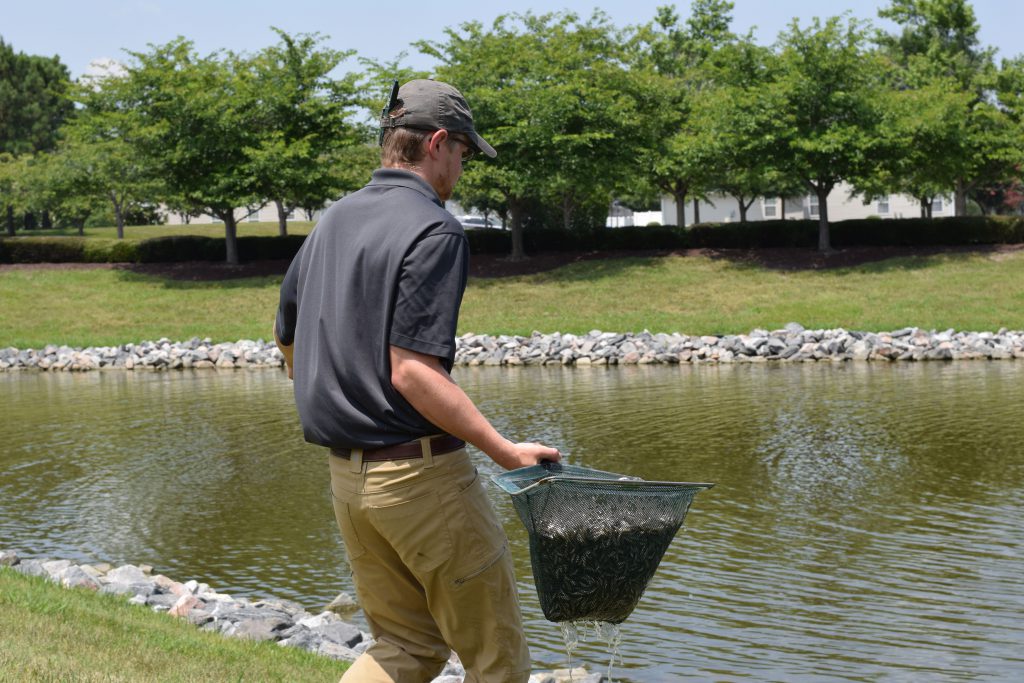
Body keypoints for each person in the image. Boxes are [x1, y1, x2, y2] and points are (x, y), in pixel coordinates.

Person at [274, 79, 560, 683]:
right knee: (497, 660)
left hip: (349, 484)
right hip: (422, 480)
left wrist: (338, 381)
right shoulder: (434, 229)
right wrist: (507, 453)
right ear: (436, 143)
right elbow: (412, 372)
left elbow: (288, 339)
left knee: (405, 647)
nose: (463, 166)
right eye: (462, 151)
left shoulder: (334, 220)